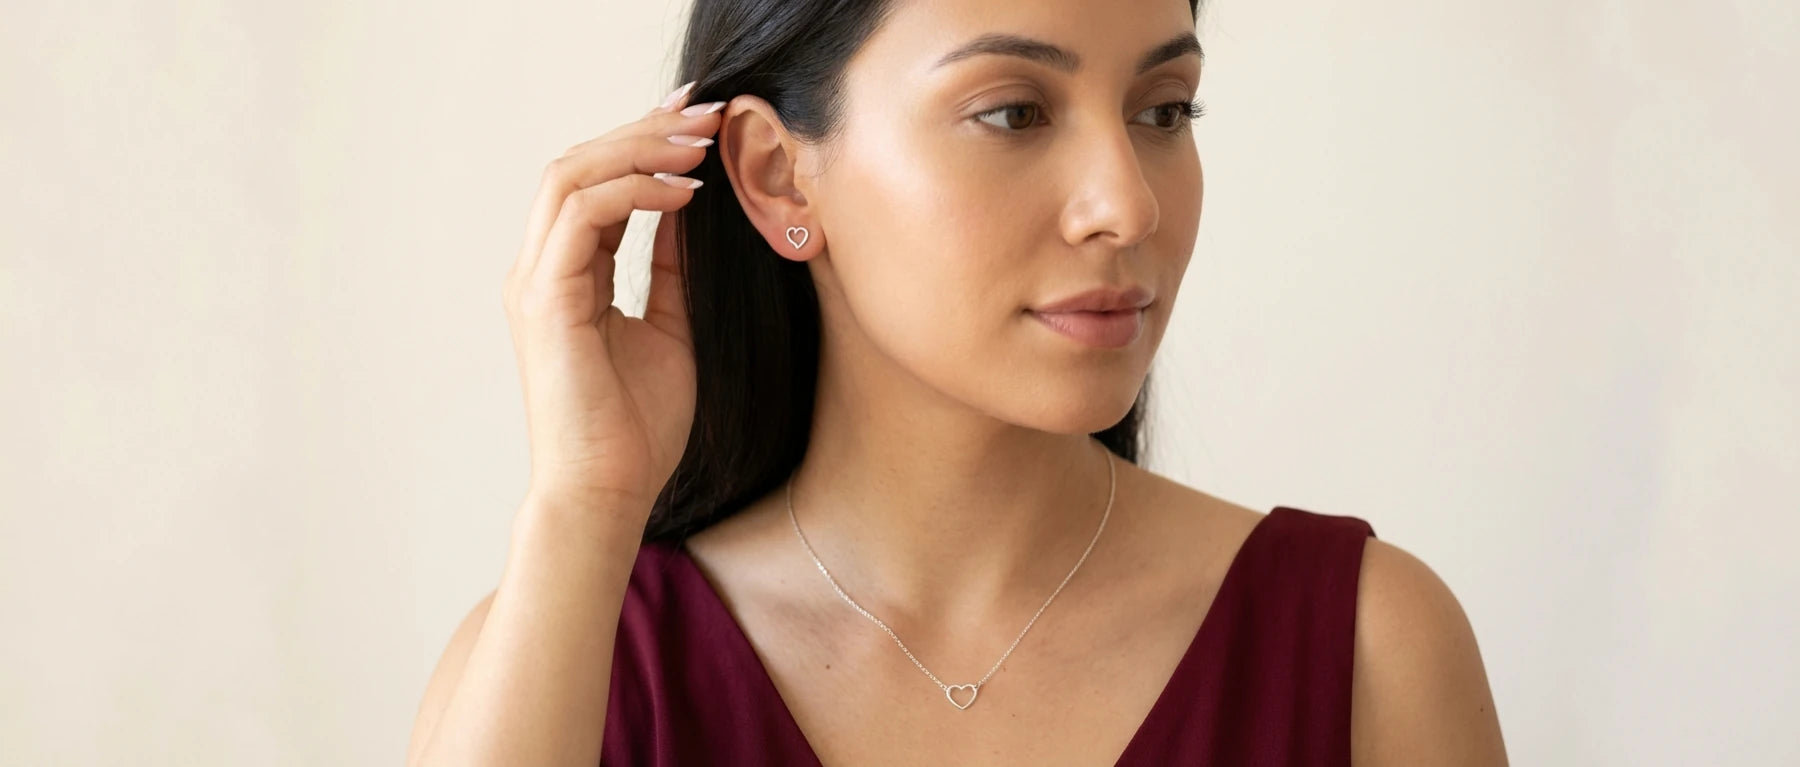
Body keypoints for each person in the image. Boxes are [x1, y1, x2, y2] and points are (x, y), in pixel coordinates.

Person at [406, 0, 1508, 764]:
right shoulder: (578, 655)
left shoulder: (1365, 646)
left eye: (1163, 109)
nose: (1129, 206)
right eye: (1015, 112)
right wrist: (588, 500)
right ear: (778, 172)